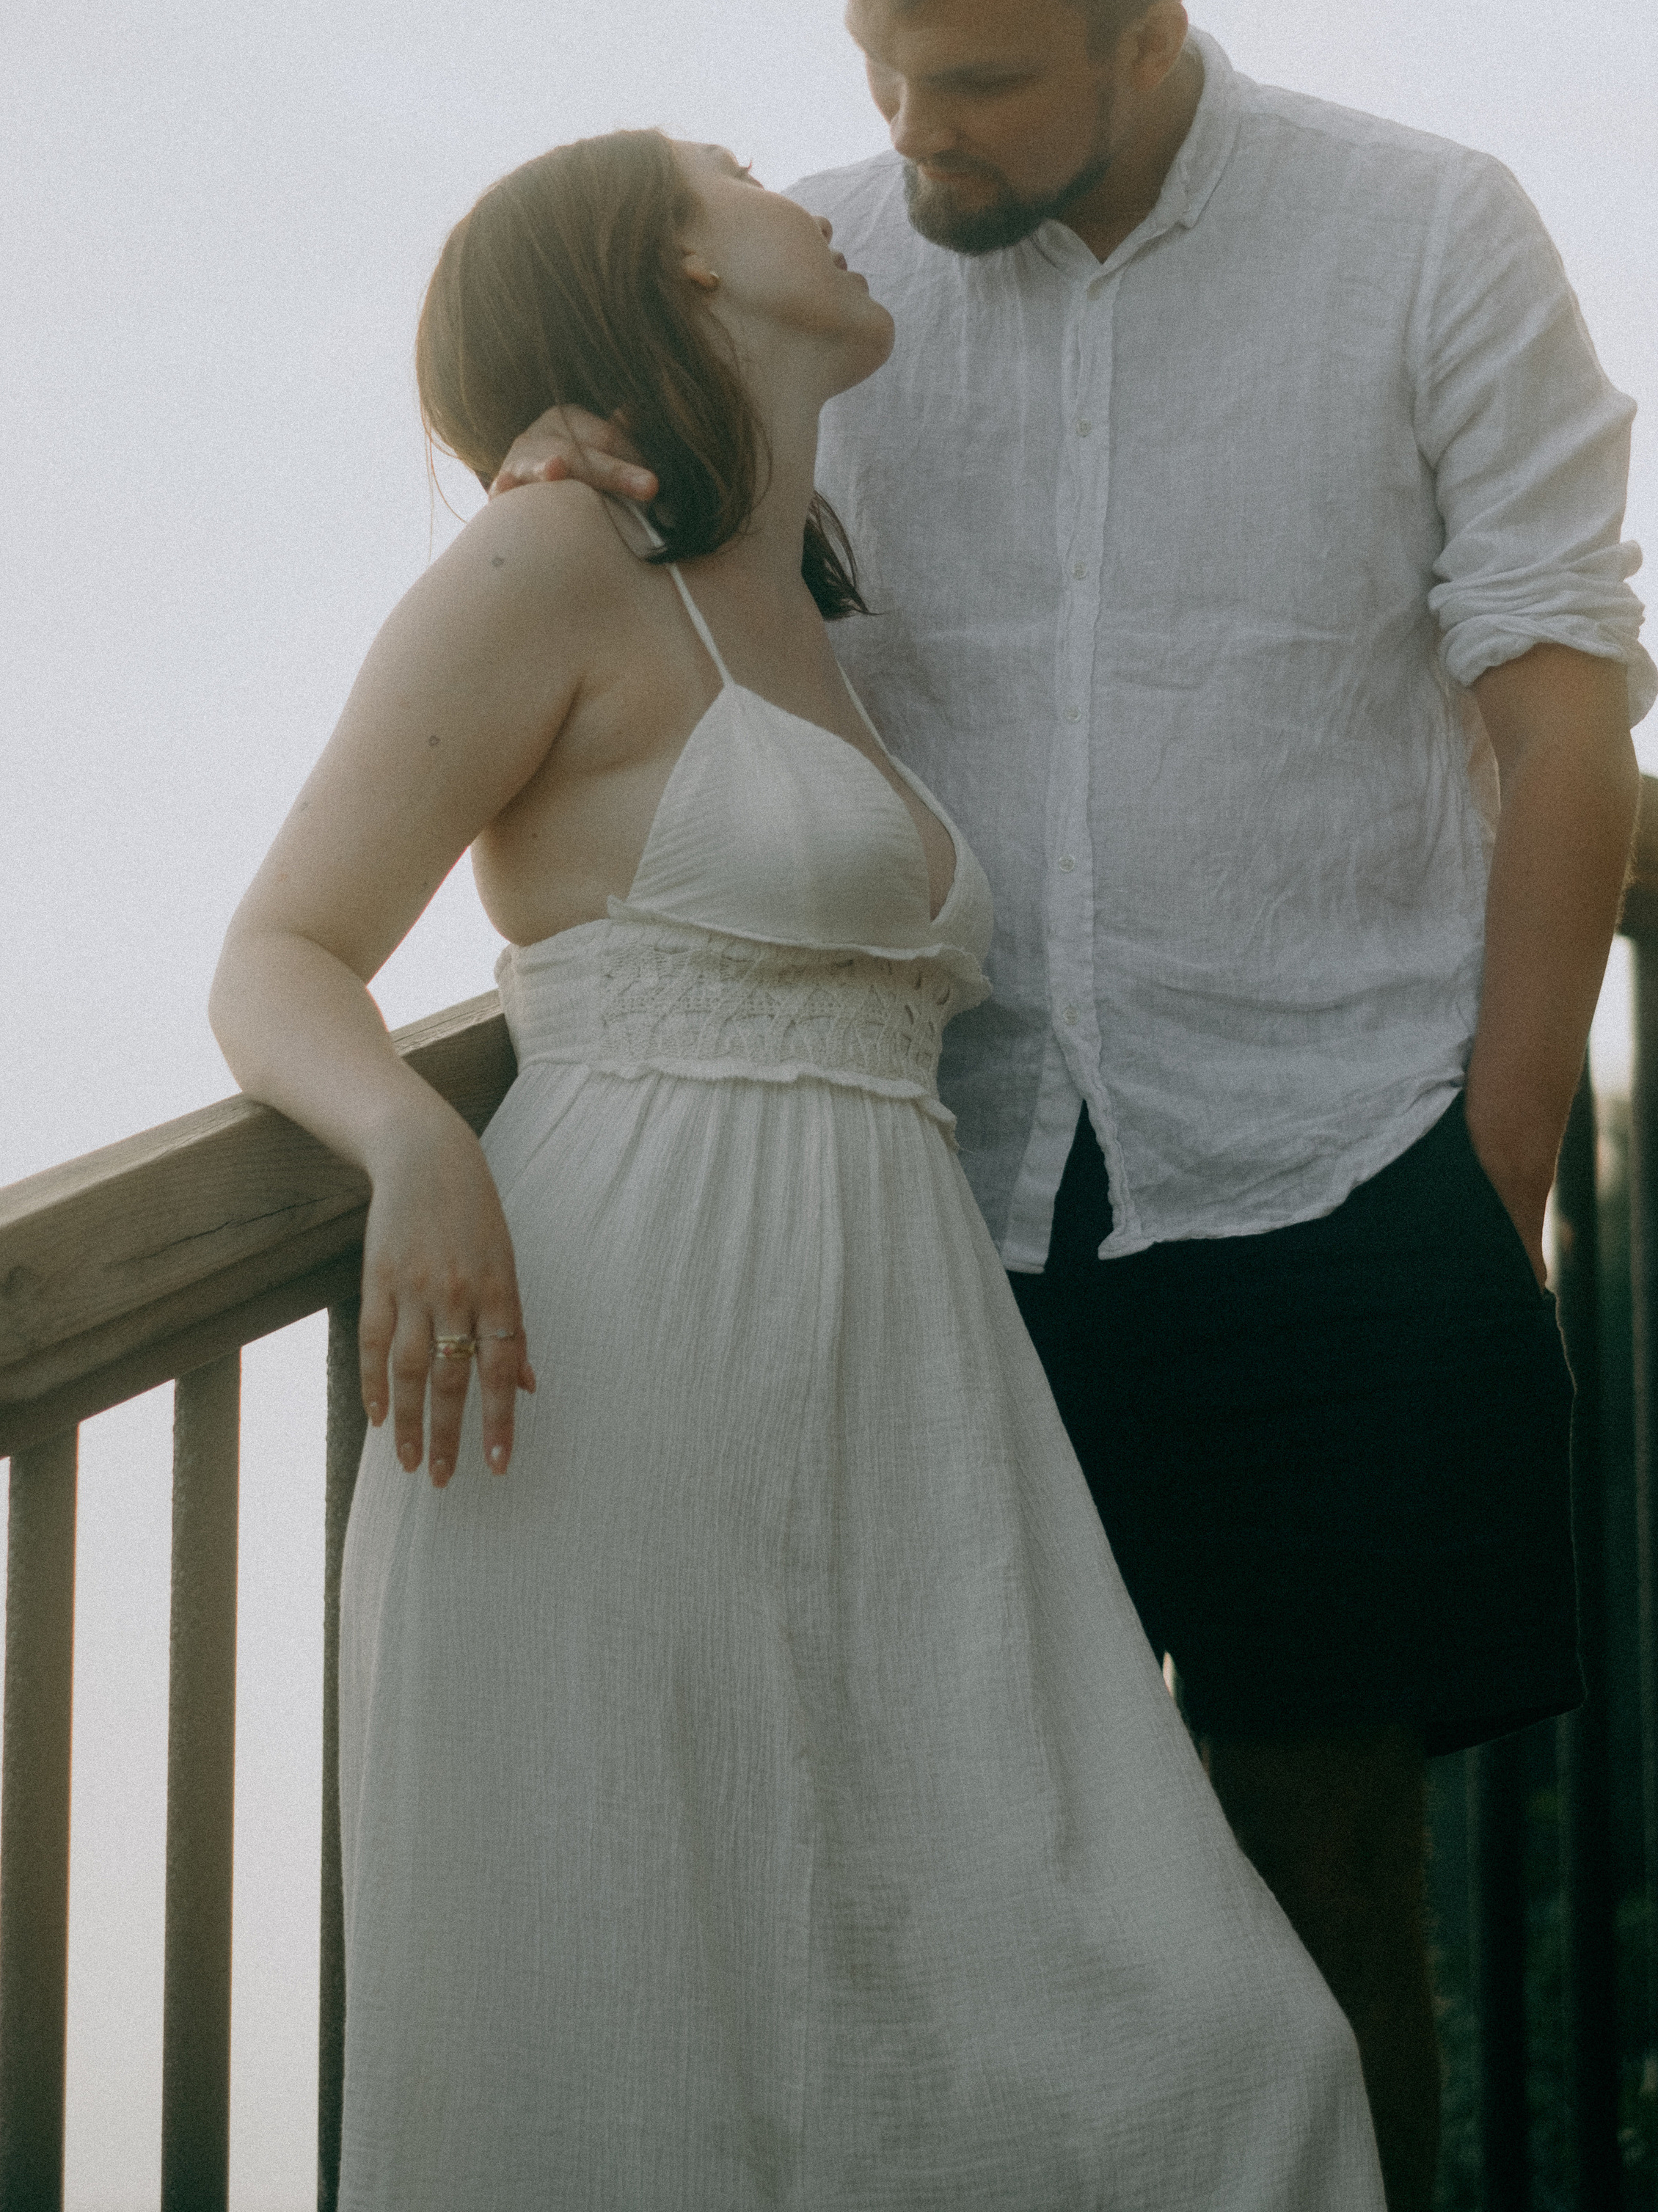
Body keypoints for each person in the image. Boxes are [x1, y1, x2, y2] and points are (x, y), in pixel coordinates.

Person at [495, 0, 1654, 2212]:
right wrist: (561, 461)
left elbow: (1559, 699)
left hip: (1339, 1169)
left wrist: (1497, 1172)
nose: (915, 133)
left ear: (1150, 33)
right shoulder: (797, 269)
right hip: (928, 1201)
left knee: (1327, 1902)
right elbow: (620, 575)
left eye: (984, 80)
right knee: (912, 1879)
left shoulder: (1428, 231)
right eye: (883, 69)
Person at [210, 128, 1384, 2209]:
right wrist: (407, 1137)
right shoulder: (544, 561)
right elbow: (280, 949)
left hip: (901, 1403)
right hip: (610, 1368)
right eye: (748, 173)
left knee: (1206, 2037)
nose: (811, 198)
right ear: (666, 267)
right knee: (652, 2031)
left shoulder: (806, 606)